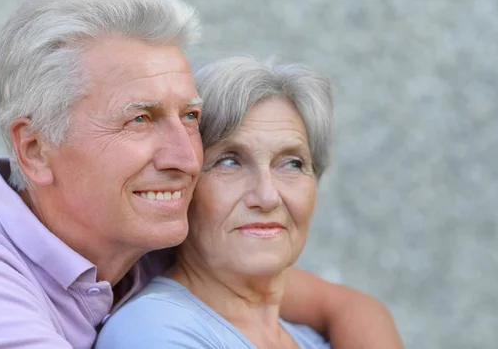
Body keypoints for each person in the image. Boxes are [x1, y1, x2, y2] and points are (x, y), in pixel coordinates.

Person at [0, 0, 402, 349]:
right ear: (36, 149)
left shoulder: (146, 243)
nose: (188, 157)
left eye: (190, 116)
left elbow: (343, 304)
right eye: (140, 119)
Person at [95, 56, 336, 348]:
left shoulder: (311, 339)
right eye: (229, 162)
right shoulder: (152, 331)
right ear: (183, 186)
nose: (267, 196)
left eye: (292, 164)